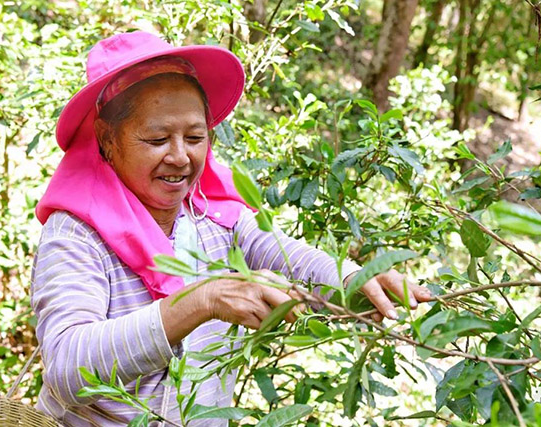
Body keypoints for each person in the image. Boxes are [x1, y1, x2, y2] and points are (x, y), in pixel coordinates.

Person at [31, 31, 432, 426]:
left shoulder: (212, 212)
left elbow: (292, 259)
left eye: (194, 137)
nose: (180, 156)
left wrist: (355, 280)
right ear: (107, 139)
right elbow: (67, 367)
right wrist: (200, 301)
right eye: (156, 139)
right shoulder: (75, 236)